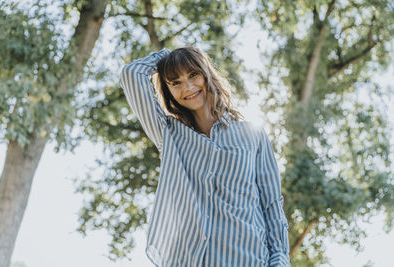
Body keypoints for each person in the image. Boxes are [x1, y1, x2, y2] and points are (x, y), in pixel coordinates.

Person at [119, 47, 290, 267]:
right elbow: (131, 74)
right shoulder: (169, 135)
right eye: (175, 82)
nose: (188, 87)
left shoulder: (253, 134)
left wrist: (279, 260)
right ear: (168, 90)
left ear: (206, 73)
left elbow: (272, 206)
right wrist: (167, 56)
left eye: (193, 74)